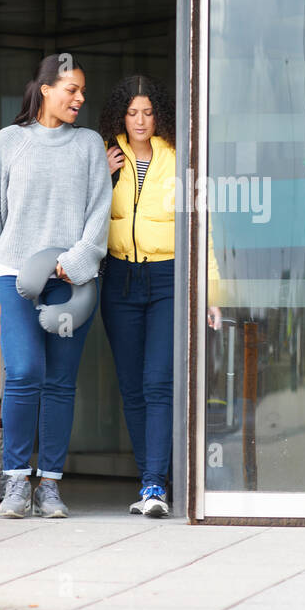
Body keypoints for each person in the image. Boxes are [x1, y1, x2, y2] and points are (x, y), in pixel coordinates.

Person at [0, 53, 111, 519]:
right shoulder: (8, 142)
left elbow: (99, 213)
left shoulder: (89, 144)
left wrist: (75, 261)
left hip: (70, 281)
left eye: (82, 92)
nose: (79, 98)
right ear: (46, 88)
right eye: (72, 89)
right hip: (12, 275)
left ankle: (49, 485)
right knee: (25, 372)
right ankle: (15, 481)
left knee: (59, 382)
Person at [98, 75, 221, 518]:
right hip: (119, 280)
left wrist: (210, 290)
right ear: (121, 115)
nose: (140, 121)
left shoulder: (177, 157)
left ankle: (155, 484)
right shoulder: (104, 155)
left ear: (159, 115)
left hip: (168, 279)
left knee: (158, 382)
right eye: (132, 112)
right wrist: (103, 178)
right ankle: (148, 475)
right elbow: (81, 214)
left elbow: (201, 225)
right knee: (131, 387)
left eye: (148, 112)